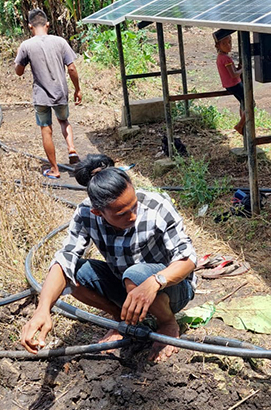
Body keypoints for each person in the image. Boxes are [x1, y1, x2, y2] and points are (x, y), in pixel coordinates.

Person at [20, 154, 197, 362]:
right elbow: (65, 258)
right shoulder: (86, 213)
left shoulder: (157, 207)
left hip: (170, 287)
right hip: (127, 285)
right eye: (122, 213)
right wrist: (43, 310)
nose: (132, 216)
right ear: (98, 212)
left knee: (136, 274)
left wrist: (155, 282)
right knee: (75, 272)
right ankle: (121, 319)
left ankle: (167, 322)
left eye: (134, 206)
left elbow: (188, 259)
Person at [14, 8, 82, 179]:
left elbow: (19, 72)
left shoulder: (26, 45)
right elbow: (72, 68)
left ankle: (54, 169)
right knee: (64, 121)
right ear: (48, 24)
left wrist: (21, 59)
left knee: (46, 130)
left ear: (30, 26)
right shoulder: (60, 42)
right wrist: (77, 89)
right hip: (60, 92)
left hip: (41, 96)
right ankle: (71, 148)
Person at [214, 31, 246, 135]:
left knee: (243, 102)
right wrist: (244, 69)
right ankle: (240, 125)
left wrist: (238, 69)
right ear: (217, 45)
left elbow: (232, 71)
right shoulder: (226, 58)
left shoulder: (220, 57)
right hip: (235, 84)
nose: (228, 46)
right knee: (251, 104)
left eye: (230, 42)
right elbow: (233, 74)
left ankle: (243, 123)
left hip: (229, 85)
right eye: (224, 44)